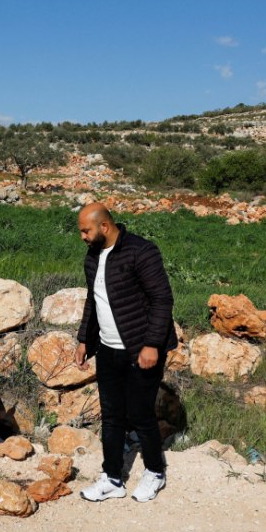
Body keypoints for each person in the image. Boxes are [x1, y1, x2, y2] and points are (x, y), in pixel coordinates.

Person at [74, 202, 178, 503]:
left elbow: (162, 299)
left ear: (104, 227)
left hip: (139, 349)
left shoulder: (141, 251)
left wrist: (151, 344)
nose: (82, 236)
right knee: (111, 415)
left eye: (86, 230)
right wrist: (84, 340)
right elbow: (93, 300)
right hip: (108, 349)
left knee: (141, 413)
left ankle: (155, 471)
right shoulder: (93, 256)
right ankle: (112, 479)